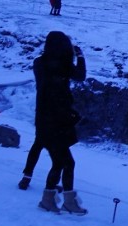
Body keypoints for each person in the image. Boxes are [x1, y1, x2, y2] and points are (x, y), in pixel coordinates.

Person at [32, 30, 87, 214]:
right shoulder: (63, 65)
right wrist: (80, 56)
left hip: (43, 119)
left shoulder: (39, 63)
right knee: (67, 162)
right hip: (58, 122)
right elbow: (80, 75)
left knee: (59, 161)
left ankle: (48, 200)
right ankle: (68, 201)